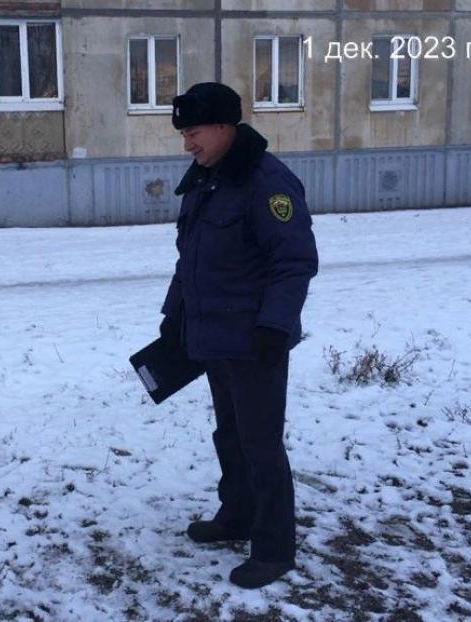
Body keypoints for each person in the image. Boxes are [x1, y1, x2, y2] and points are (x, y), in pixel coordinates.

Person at [160, 82, 318, 588]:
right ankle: (237, 515)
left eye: (194, 132)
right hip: (214, 339)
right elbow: (190, 260)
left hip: (255, 343)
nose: (188, 143)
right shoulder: (207, 181)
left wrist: (274, 326)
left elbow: (293, 262)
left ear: (226, 126)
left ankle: (273, 549)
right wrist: (173, 315)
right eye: (184, 133)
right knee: (229, 434)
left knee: (261, 444)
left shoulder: (266, 182)